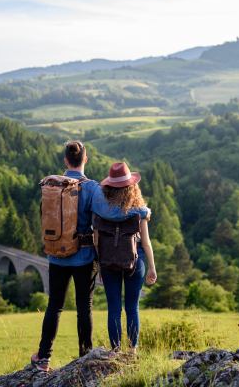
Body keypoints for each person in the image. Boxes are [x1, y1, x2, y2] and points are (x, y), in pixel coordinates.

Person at [31, 141, 149, 372]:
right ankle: (84, 357)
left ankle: (43, 358)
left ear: (66, 161)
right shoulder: (92, 187)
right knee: (84, 307)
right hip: (83, 256)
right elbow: (111, 214)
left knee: (54, 306)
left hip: (55, 255)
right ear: (86, 159)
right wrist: (140, 211)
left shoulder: (51, 184)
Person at [94, 162, 157, 354]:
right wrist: (152, 267)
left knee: (113, 308)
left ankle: (115, 351)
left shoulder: (100, 210)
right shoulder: (139, 210)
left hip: (108, 262)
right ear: (132, 187)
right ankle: (132, 351)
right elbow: (145, 243)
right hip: (134, 261)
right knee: (132, 308)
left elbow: (96, 242)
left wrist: (99, 267)